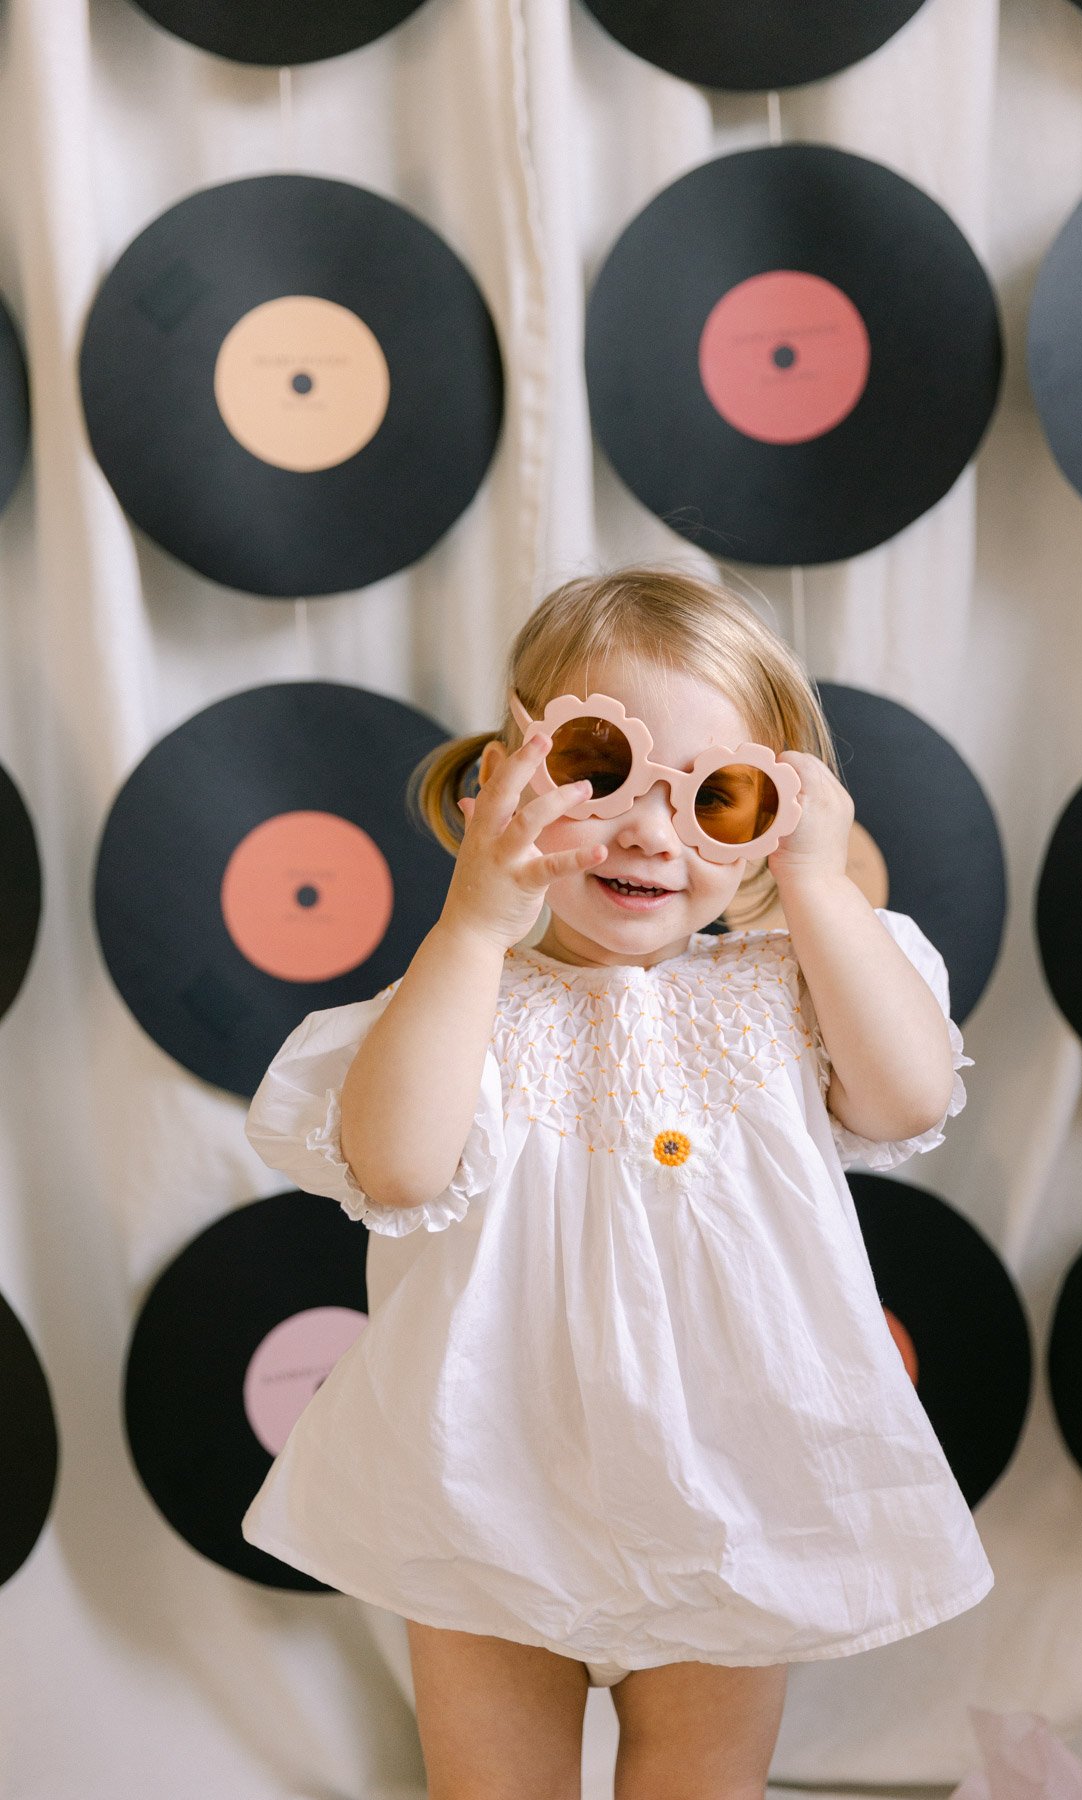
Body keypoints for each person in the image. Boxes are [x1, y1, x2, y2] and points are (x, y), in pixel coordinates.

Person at [241, 566, 992, 1800]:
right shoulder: (460, 1005)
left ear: (773, 814)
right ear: (505, 784)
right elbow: (397, 1163)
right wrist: (474, 928)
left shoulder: (785, 990)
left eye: (716, 795)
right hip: (488, 1488)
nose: (649, 831)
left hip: (734, 1493)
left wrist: (815, 881)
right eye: (599, 774)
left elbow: (908, 1096)